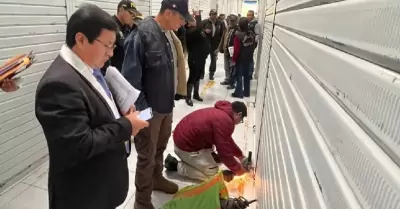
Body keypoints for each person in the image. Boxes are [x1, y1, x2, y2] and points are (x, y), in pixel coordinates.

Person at [34, 4, 149, 209]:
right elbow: (79, 145)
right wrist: (126, 125)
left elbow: (97, 107)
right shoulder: (58, 85)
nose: (110, 53)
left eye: (113, 46)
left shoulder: (91, 67)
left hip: (103, 183)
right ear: (80, 39)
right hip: (84, 195)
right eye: (107, 45)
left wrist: (119, 110)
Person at [121, 0, 193, 208]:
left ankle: (156, 179)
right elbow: (130, 80)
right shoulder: (142, 34)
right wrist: (145, 112)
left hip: (165, 106)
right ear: (169, 13)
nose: (183, 23)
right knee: (146, 155)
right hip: (147, 111)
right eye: (181, 18)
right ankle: (142, 202)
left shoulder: (168, 34)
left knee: (159, 148)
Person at [164, 100, 249, 181]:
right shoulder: (226, 121)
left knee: (217, 159)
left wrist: (240, 156)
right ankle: (175, 165)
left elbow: (226, 140)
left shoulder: (222, 112)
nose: (238, 123)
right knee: (214, 175)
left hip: (184, 138)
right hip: (185, 146)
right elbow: (224, 153)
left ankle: (200, 160)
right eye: (241, 121)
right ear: (239, 114)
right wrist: (239, 170)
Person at [104, 0, 142, 72]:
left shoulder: (127, 27)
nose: (132, 17)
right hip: (112, 72)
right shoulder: (111, 25)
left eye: (134, 15)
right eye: (130, 13)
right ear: (121, 10)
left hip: (123, 71)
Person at [184, 10, 208, 106]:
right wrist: (198, 15)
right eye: (192, 20)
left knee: (198, 76)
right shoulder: (190, 32)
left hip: (201, 57)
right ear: (188, 24)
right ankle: (188, 97)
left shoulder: (197, 31)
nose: (195, 21)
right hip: (194, 58)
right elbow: (199, 27)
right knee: (192, 77)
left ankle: (196, 94)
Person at [231, 18, 256, 98]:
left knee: (239, 76)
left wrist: (234, 59)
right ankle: (246, 92)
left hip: (240, 59)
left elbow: (236, 50)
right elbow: (254, 45)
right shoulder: (251, 34)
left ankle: (239, 93)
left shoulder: (237, 35)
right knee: (247, 76)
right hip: (249, 58)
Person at [201, 9, 224, 80]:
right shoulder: (204, 22)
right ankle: (201, 74)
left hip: (215, 45)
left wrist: (220, 46)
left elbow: (222, 34)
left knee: (213, 59)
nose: (214, 16)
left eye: (215, 14)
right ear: (210, 14)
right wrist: (204, 31)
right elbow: (199, 31)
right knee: (202, 59)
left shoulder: (220, 23)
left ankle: (211, 73)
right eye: (213, 14)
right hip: (205, 44)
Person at [218, 14, 239, 88]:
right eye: (230, 20)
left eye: (233, 21)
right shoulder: (227, 29)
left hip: (233, 53)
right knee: (226, 67)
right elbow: (223, 38)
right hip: (226, 51)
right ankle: (227, 79)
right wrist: (220, 48)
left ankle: (232, 83)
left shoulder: (238, 30)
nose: (231, 22)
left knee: (233, 68)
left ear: (236, 21)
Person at [246, 10, 261, 79]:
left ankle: (250, 74)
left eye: (250, 15)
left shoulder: (256, 24)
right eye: (247, 15)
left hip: (251, 45)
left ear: (253, 16)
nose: (248, 16)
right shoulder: (247, 23)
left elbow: (258, 34)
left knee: (249, 59)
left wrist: (254, 43)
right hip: (246, 44)